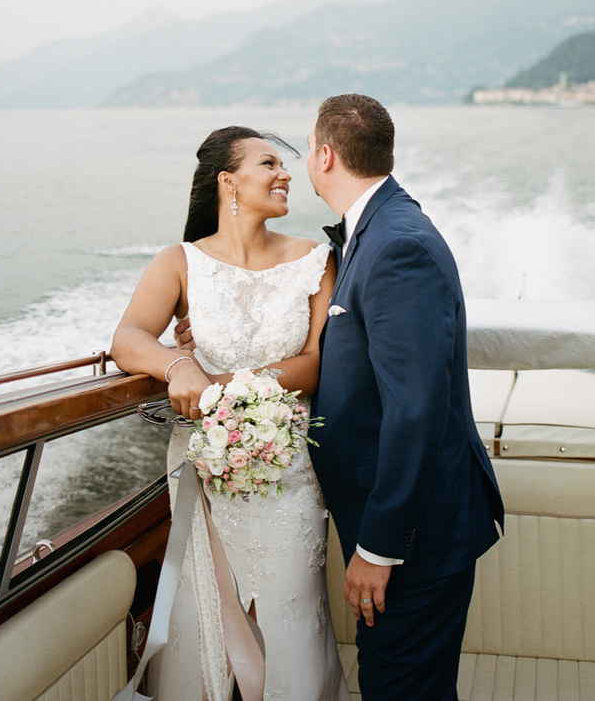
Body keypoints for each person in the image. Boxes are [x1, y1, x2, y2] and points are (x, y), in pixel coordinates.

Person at [110, 125, 350, 701]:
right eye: (268, 163)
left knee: (292, 605)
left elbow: (318, 362)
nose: (285, 173)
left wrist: (221, 382)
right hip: (204, 463)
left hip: (288, 466)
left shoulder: (316, 260)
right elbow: (128, 337)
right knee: (205, 607)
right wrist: (177, 367)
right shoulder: (179, 262)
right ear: (228, 181)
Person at [306, 94, 504, 701]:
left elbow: (416, 408)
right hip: (405, 525)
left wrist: (378, 546)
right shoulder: (375, 231)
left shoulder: (399, 246)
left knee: (399, 687)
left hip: (413, 536)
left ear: (325, 155)